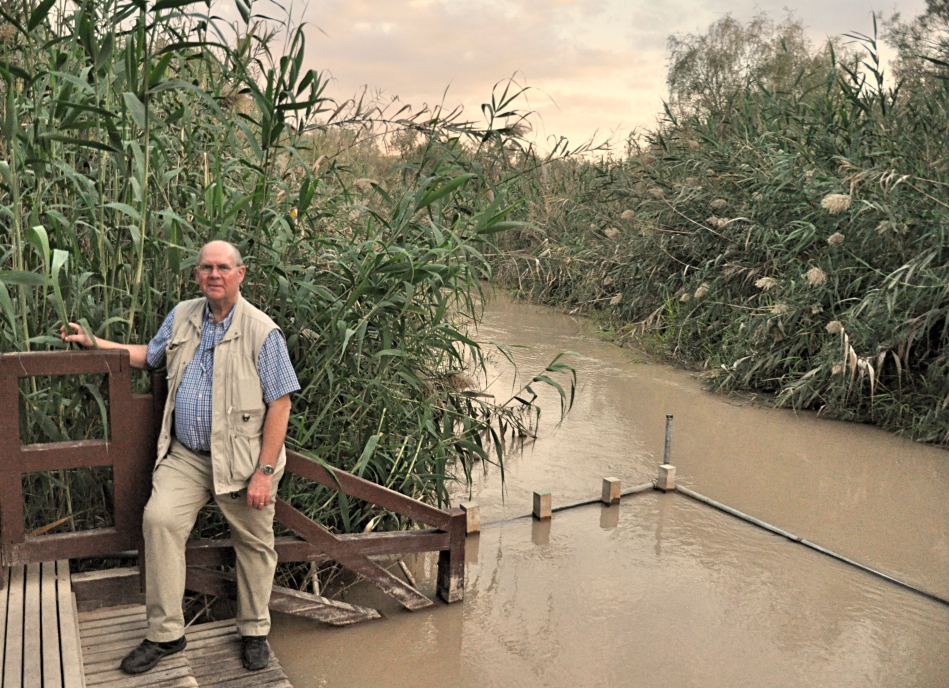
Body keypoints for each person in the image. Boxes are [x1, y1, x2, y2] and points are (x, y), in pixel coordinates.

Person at [61, 240, 300, 675]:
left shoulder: (263, 331)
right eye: (206, 267)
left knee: (254, 543)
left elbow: (281, 404)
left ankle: (254, 631)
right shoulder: (184, 314)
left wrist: (264, 473)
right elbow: (148, 357)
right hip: (187, 456)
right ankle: (166, 635)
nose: (214, 274)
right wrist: (95, 344)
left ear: (240, 274)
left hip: (245, 461)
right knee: (159, 520)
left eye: (223, 267)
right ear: (196, 275)